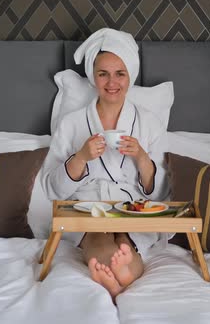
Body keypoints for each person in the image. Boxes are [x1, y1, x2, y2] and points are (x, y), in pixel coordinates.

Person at [41, 28, 169, 301]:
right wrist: (81, 157)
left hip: (133, 209)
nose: (112, 82)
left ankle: (119, 273)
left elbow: (160, 194)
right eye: (103, 74)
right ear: (93, 76)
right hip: (89, 209)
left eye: (119, 73)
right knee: (99, 238)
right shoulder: (72, 123)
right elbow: (52, 188)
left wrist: (142, 157)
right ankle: (119, 274)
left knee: (127, 242)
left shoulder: (149, 123)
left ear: (130, 76)